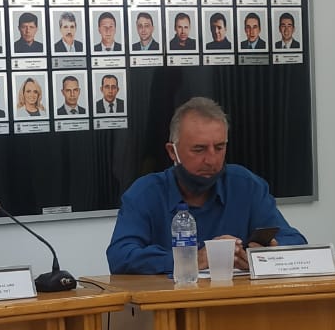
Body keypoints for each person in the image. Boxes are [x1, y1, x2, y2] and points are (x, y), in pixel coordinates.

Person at [106, 97, 305, 275]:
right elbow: (120, 256)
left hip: (238, 300)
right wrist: (191, 260)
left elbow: (294, 241)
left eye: (219, 147)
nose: (211, 160)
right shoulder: (145, 193)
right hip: (173, 301)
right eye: (199, 149)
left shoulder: (247, 186)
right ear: (172, 152)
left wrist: (267, 253)